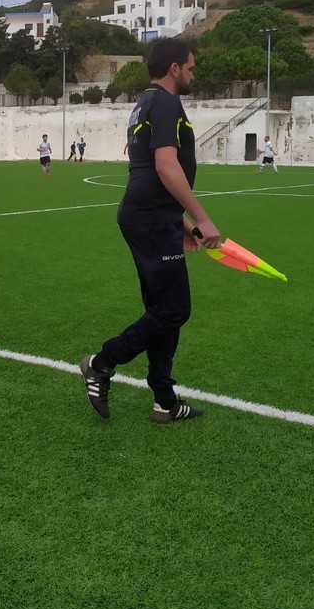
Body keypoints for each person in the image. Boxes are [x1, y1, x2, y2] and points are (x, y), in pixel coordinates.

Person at [79, 39, 219, 424]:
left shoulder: (145, 104)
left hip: (151, 215)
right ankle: (101, 363)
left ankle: (164, 400)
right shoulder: (167, 103)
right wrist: (202, 218)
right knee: (174, 309)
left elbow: (148, 172)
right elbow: (164, 166)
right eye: (190, 68)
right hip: (150, 218)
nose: (193, 74)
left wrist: (183, 224)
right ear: (174, 68)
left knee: (163, 309)